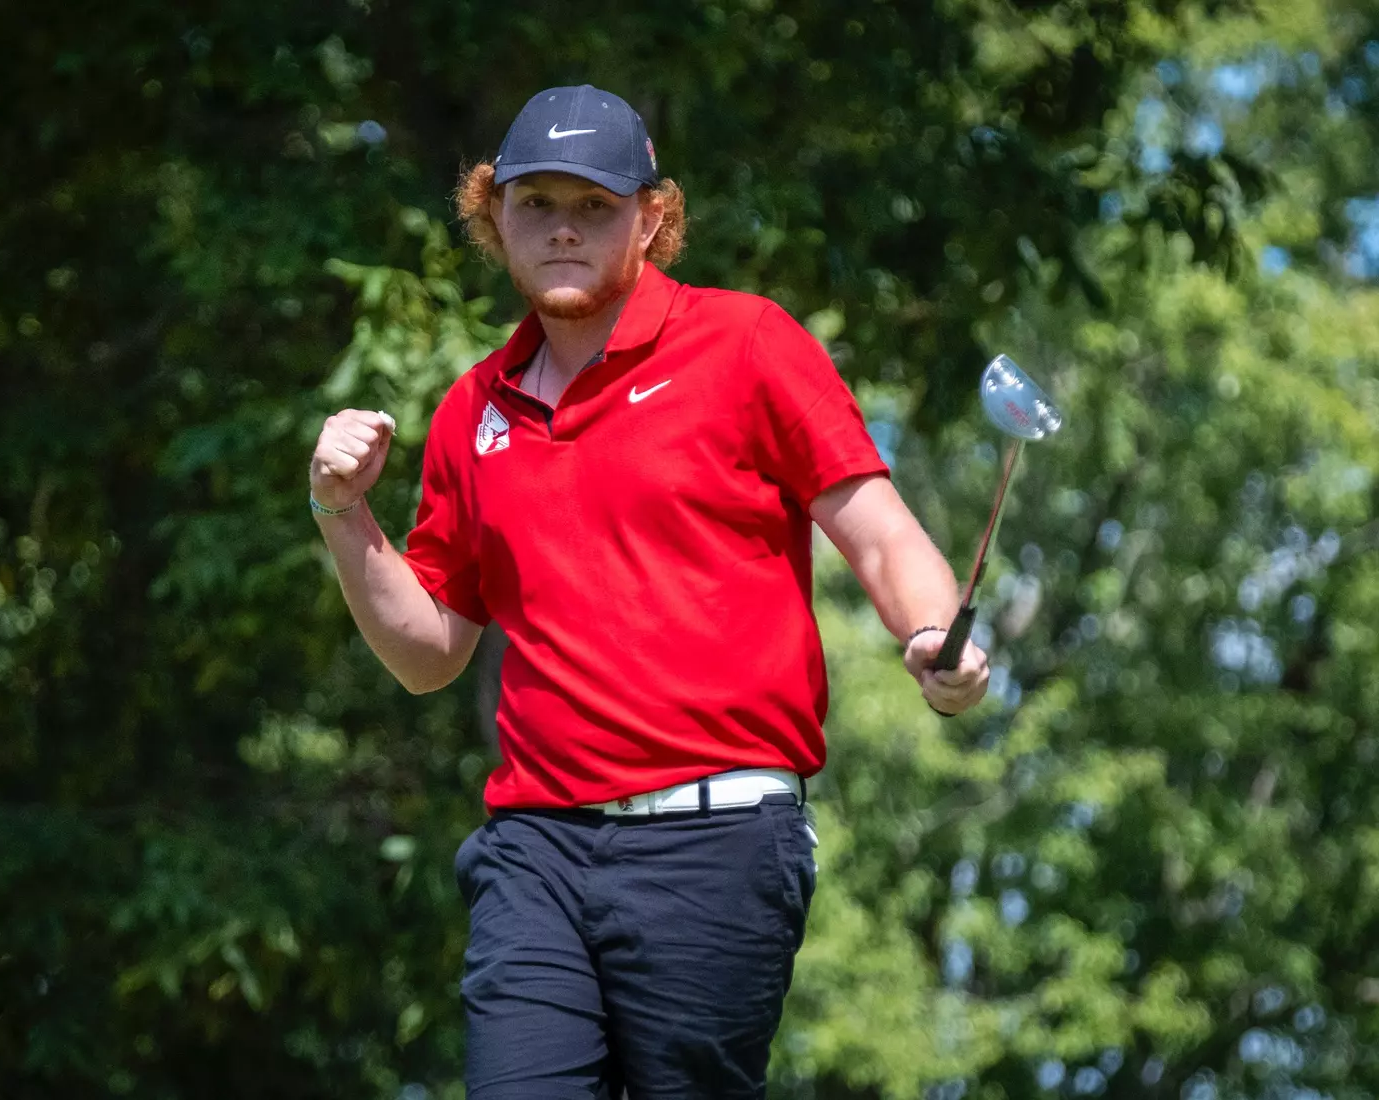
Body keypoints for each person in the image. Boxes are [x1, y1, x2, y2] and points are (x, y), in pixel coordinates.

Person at [309, 84, 990, 1100]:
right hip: (536, 844)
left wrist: (939, 636)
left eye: (595, 204)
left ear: (653, 218)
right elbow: (427, 652)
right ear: (492, 214)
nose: (564, 229)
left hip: (717, 840)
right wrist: (341, 512)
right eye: (536, 203)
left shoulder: (749, 343)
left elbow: (880, 533)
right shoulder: (470, 411)